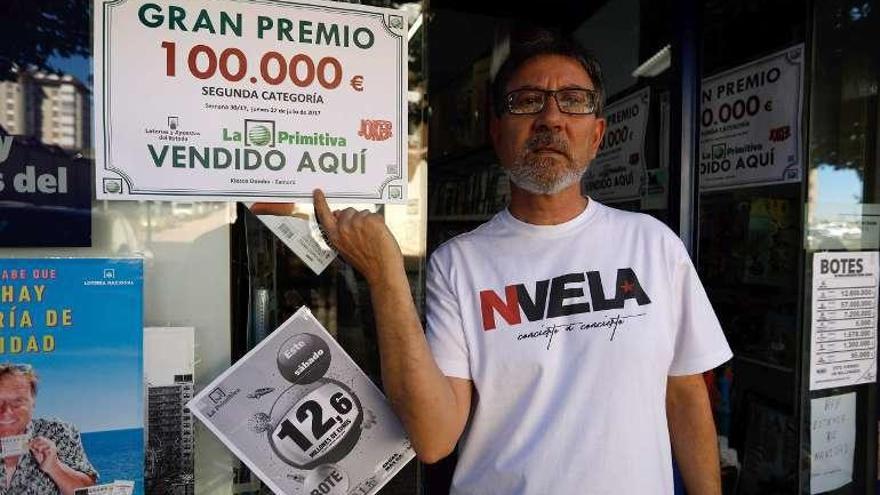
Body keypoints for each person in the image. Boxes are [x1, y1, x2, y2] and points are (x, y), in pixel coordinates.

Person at [303, 28, 732, 494]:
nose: (551, 118)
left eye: (573, 100)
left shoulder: (654, 246)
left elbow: (686, 394)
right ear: (496, 131)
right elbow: (433, 438)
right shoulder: (458, 264)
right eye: (528, 101)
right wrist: (385, 275)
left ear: (597, 134)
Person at [0, 363, 97, 495]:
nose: (6, 411)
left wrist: (55, 467)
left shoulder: (57, 432)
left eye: (18, 401)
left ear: (32, 403)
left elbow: (89, 492)